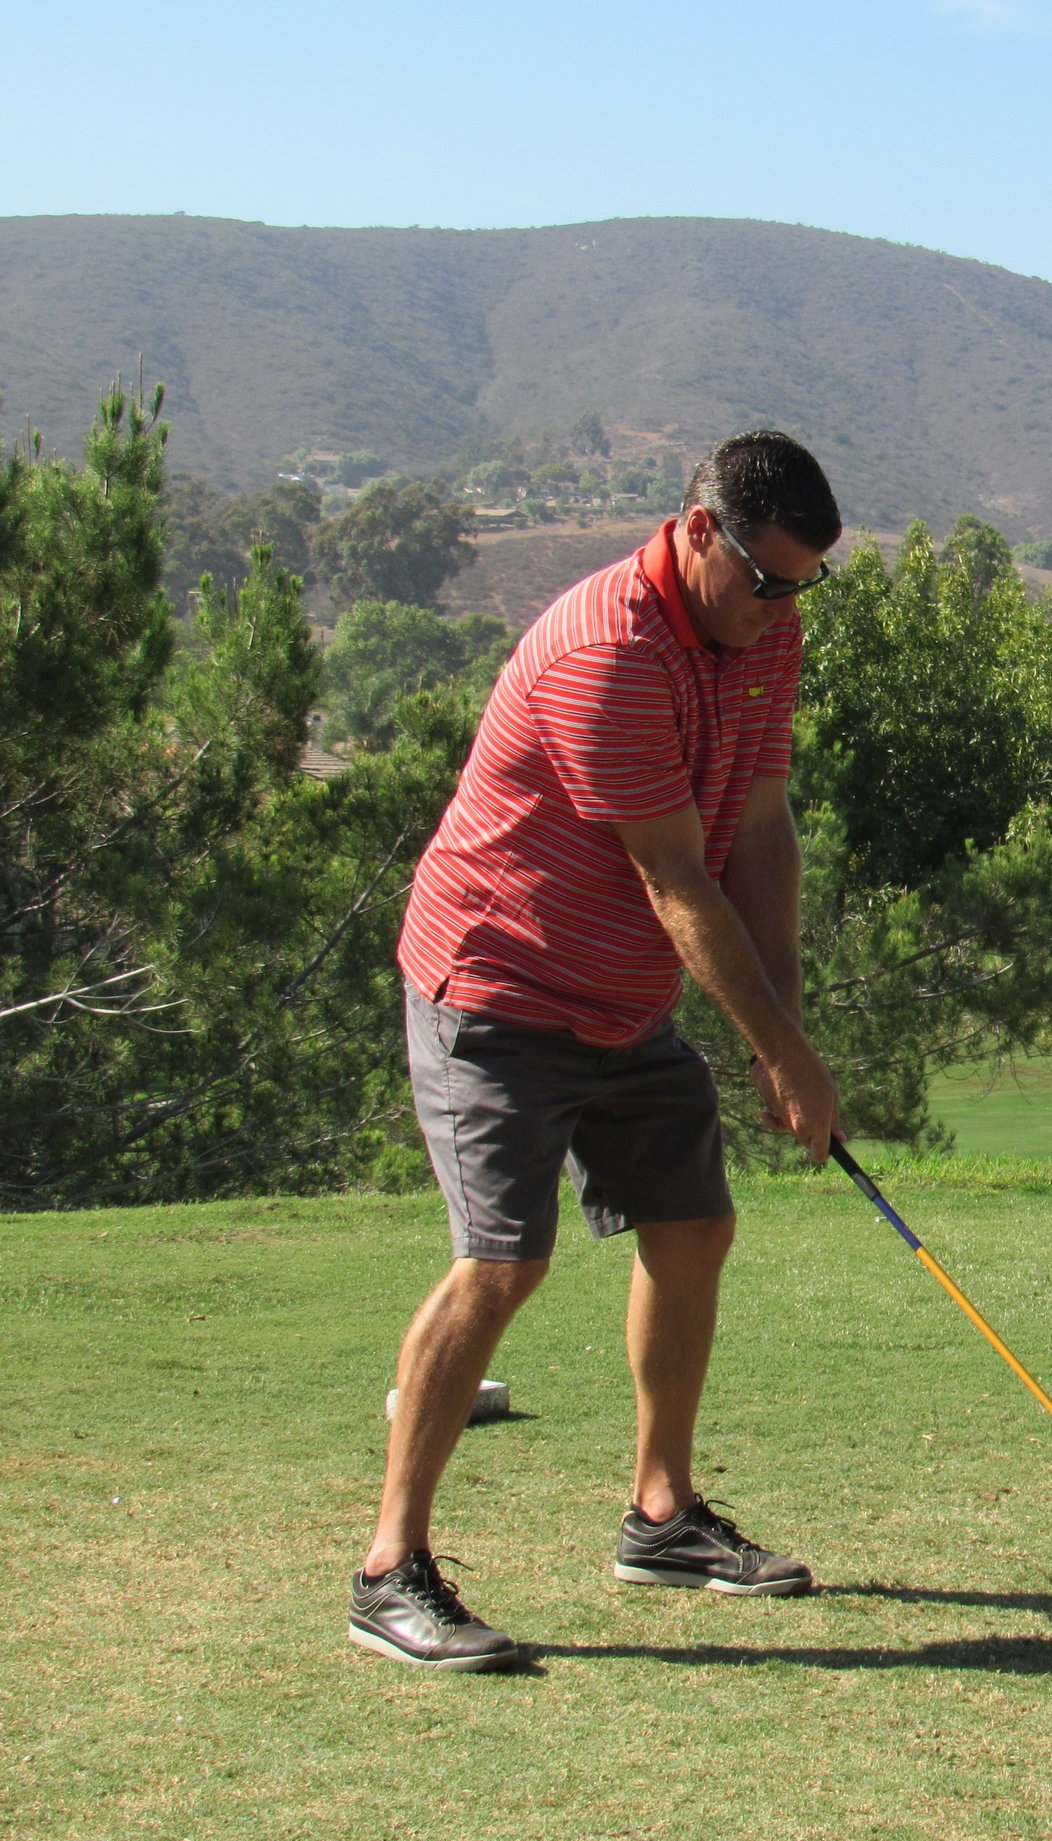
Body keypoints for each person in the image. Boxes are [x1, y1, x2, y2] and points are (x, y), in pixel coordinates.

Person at [347, 431, 844, 1670]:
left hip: (621, 1004)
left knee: (691, 1228)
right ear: (694, 531)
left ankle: (661, 1515)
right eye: (765, 580)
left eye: (802, 586)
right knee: (501, 1263)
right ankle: (387, 1570)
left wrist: (787, 1022)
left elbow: (761, 836)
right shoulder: (604, 653)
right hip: (498, 990)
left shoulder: (761, 634)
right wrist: (781, 1062)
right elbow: (678, 881)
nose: (781, 609)